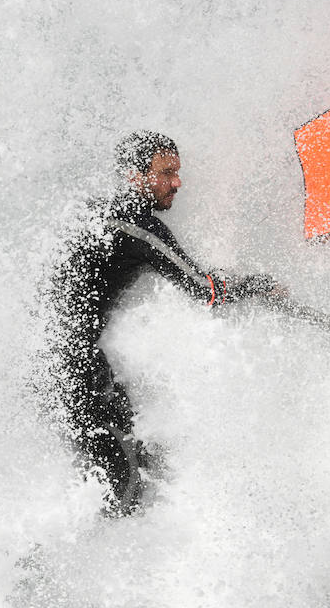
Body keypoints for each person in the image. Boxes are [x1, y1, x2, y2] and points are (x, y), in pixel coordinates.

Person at [39, 130, 280, 515]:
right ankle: (98, 557)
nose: (178, 182)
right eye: (167, 172)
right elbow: (205, 290)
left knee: (138, 465)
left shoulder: (97, 213)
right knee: (126, 483)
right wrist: (258, 286)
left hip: (51, 366)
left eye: (178, 172)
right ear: (135, 176)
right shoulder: (138, 228)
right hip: (75, 369)